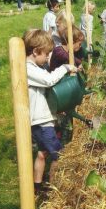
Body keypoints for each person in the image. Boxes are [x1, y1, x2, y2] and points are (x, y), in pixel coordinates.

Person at [24, 29, 79, 195]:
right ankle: (55, 187)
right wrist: (64, 68)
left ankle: (38, 185)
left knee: (42, 153)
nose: (48, 58)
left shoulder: (35, 67)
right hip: (41, 122)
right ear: (35, 52)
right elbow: (48, 80)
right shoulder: (28, 69)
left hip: (43, 119)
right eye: (46, 54)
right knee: (58, 155)